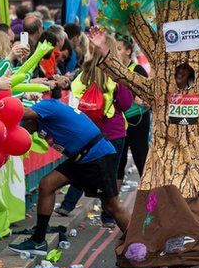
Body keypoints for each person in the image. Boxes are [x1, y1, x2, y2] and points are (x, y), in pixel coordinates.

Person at [11, 97, 128, 256]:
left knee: (111, 206)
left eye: (24, 124)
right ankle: (38, 241)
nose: (23, 128)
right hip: (80, 158)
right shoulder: (41, 124)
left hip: (97, 155)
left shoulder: (46, 106)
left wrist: (1, 112)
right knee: (47, 184)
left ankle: (139, 243)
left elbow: (23, 112)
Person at [59, 32, 132, 224]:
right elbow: (126, 104)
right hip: (114, 132)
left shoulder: (84, 73)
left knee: (83, 167)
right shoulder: (118, 74)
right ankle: (108, 216)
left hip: (88, 132)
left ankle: (67, 204)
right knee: (109, 176)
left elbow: (73, 98)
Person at [116, 39, 150, 185]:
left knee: (140, 157)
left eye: (118, 49)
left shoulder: (137, 70)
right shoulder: (113, 70)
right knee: (119, 161)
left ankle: (151, 200)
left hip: (137, 119)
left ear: (128, 51)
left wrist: (139, 100)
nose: (115, 53)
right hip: (118, 122)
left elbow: (149, 97)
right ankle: (111, 207)